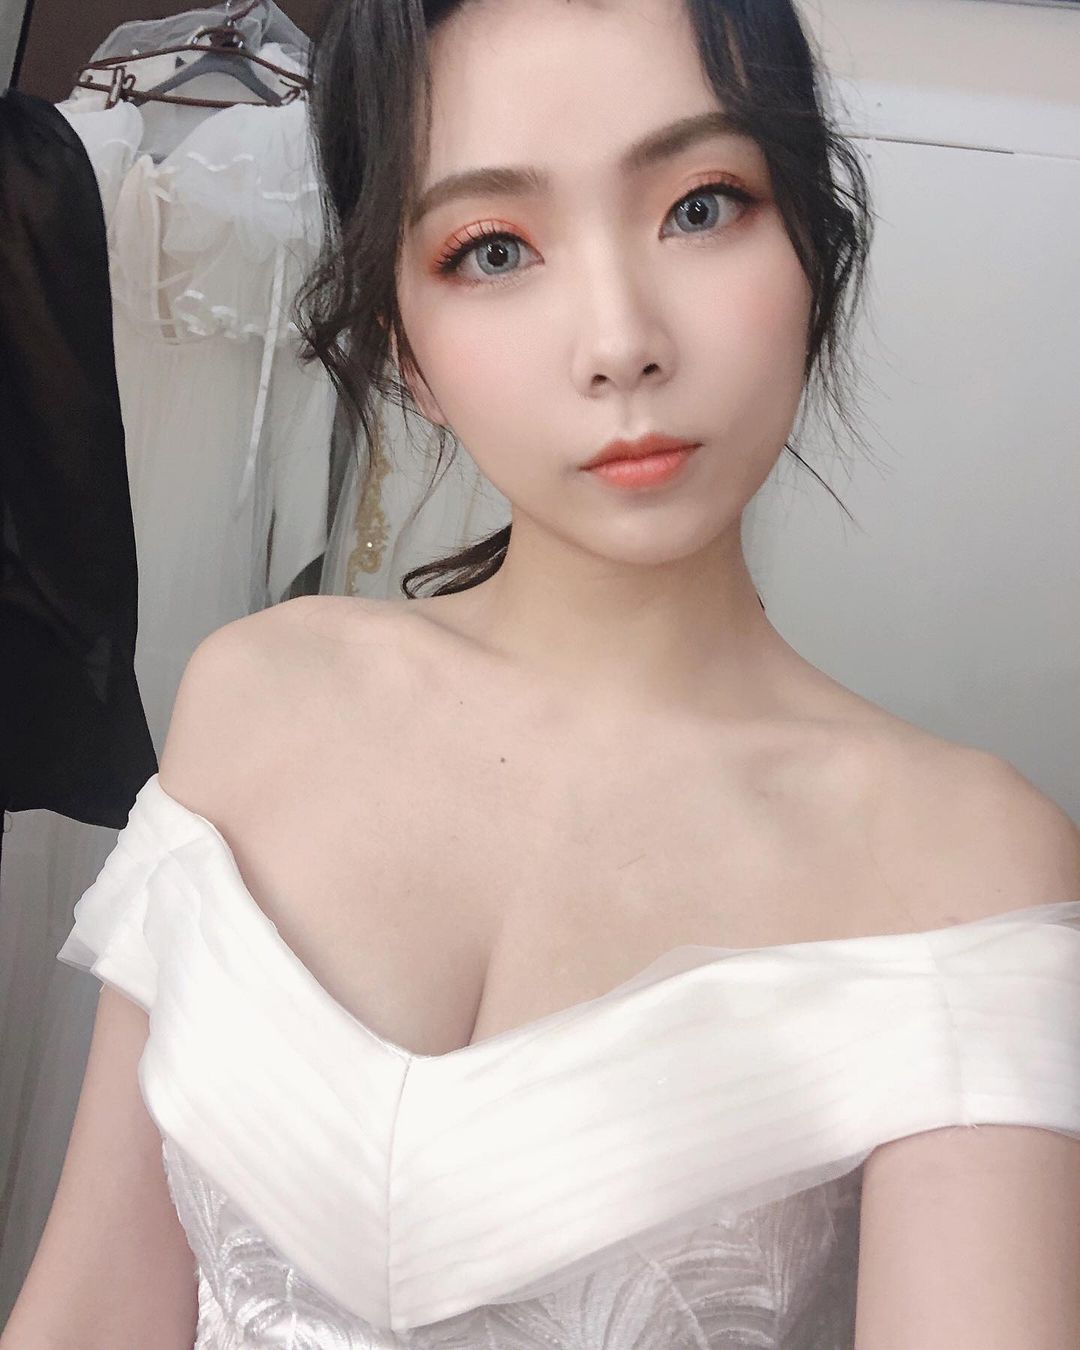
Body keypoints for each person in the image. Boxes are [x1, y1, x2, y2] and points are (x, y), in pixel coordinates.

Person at [6, 0, 1079, 1346]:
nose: (620, 341)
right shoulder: (254, 699)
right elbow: (91, 1307)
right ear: (402, 344)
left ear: (816, 240)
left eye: (700, 207)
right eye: (494, 249)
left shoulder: (960, 865)